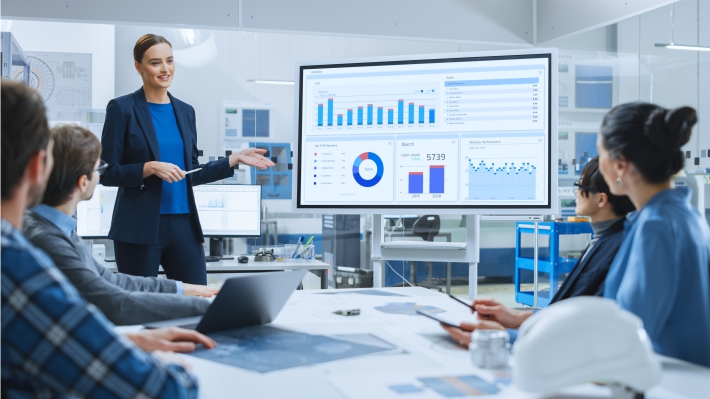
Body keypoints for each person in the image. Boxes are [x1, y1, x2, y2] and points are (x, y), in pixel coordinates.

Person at [1, 80, 216, 398]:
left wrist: (187, 295)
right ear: (38, 168)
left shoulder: (49, 237)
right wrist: (209, 316)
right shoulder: (19, 263)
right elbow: (164, 390)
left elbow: (111, 284)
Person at [100, 34, 274, 284]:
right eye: (155, 62)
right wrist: (148, 168)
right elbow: (107, 173)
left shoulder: (185, 111)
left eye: (169, 61)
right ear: (138, 66)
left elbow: (191, 172)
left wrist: (232, 160)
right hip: (139, 227)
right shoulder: (122, 109)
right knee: (139, 305)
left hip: (184, 226)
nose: (165, 69)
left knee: (197, 300)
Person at [23, 124, 219, 325]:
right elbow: (114, 304)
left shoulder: (59, 228)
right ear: (83, 182)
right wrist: (208, 307)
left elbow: (111, 281)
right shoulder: (47, 239)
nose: (100, 175)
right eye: (99, 168)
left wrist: (185, 289)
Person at [442, 157, 635, 346]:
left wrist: (505, 337)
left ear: (601, 199)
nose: (576, 194)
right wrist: (517, 317)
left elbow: (589, 328)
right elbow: (569, 312)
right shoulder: (603, 238)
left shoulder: (619, 249)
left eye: (581, 187)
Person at [596, 102, 710, 367]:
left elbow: (629, 333)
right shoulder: (686, 216)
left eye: (601, 154)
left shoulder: (655, 227)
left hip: (674, 381)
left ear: (620, 164)